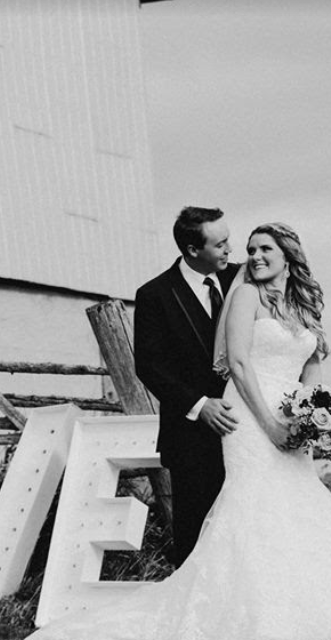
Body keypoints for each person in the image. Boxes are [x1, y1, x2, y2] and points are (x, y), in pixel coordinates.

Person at [10, 223, 331, 640]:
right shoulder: (246, 294)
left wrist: (313, 420)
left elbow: (312, 367)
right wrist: (268, 423)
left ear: (289, 255)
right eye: (251, 249)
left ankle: (322, 612)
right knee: (254, 502)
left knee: (299, 504)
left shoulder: (303, 304)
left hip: (288, 415)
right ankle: (254, 617)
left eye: (266, 248)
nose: (256, 255)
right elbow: (240, 364)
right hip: (249, 414)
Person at [132, 207, 243, 566]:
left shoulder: (241, 280)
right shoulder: (155, 295)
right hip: (190, 436)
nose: (230, 249)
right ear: (193, 250)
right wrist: (200, 405)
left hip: (245, 430)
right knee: (196, 534)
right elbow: (149, 366)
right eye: (220, 243)